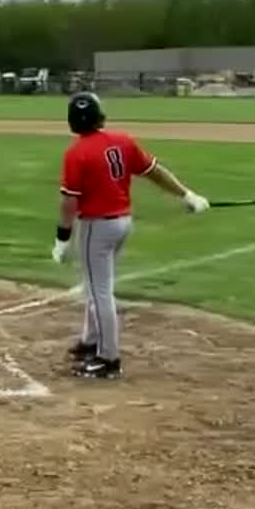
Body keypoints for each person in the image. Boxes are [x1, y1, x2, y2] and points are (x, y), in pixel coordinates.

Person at [53, 92, 209, 380]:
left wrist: (62, 237)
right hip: (122, 224)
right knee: (97, 286)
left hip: (96, 228)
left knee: (98, 292)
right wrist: (187, 195)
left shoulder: (76, 153)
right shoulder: (122, 141)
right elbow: (154, 172)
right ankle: (90, 341)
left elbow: (69, 203)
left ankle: (108, 358)